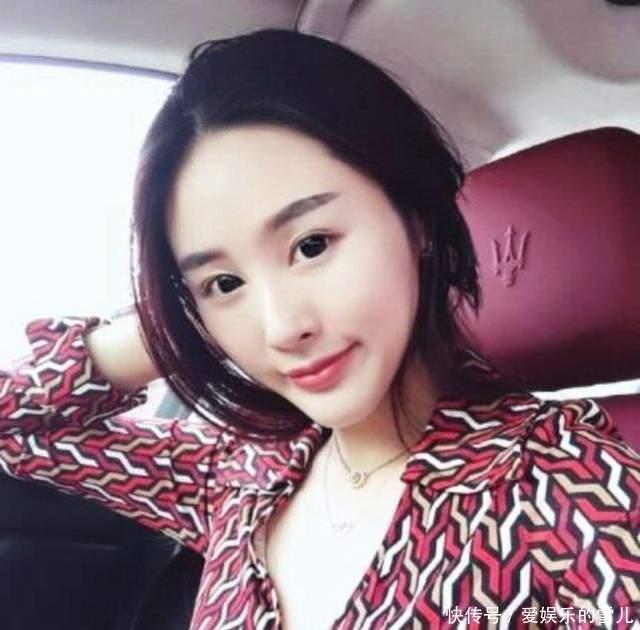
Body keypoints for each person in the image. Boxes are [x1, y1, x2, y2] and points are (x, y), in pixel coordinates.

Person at [1, 28, 639, 630]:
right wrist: (174, 325)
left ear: (415, 214)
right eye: (225, 284)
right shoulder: (240, 476)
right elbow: (18, 428)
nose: (282, 327)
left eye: (311, 246)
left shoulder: (567, 485)